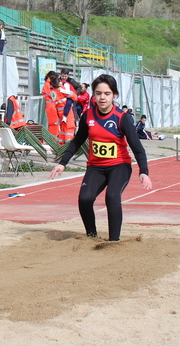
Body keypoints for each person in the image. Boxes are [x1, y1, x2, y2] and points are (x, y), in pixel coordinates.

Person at [50, 74, 152, 241]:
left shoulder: (122, 118)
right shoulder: (88, 116)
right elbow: (77, 141)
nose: (102, 97)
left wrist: (144, 171)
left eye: (107, 93)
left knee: (112, 196)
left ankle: (114, 241)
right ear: (94, 95)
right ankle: (92, 236)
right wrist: (62, 163)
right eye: (98, 93)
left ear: (114, 95)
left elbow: (137, 148)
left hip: (119, 166)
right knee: (85, 198)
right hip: (96, 167)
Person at [41, 71, 61, 138]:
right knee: (54, 124)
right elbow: (53, 96)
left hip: (52, 106)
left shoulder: (48, 84)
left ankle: (53, 140)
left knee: (55, 125)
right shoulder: (47, 85)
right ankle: (52, 141)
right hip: (52, 107)